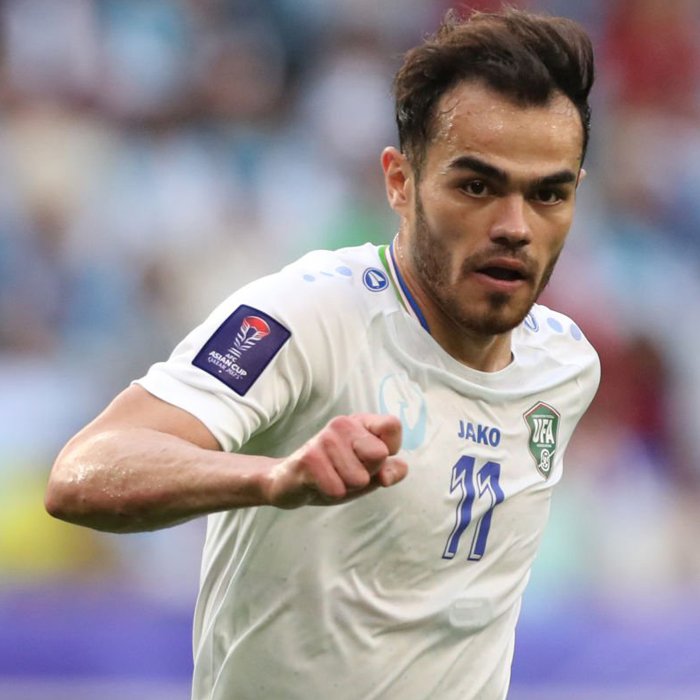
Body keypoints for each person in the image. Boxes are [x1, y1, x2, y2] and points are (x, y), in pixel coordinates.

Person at [45, 8, 599, 700]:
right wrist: (272, 478)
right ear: (400, 182)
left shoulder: (565, 368)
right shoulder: (307, 315)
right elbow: (84, 474)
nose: (515, 227)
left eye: (548, 194)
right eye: (477, 186)